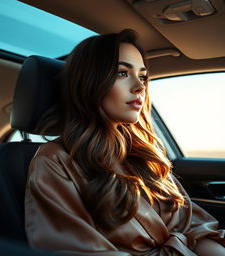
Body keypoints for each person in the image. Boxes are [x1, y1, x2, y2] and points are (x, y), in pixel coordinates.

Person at [25, 29, 225, 256]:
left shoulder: (144, 154)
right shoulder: (54, 161)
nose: (140, 87)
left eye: (142, 76)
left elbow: (194, 229)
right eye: (121, 73)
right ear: (90, 82)